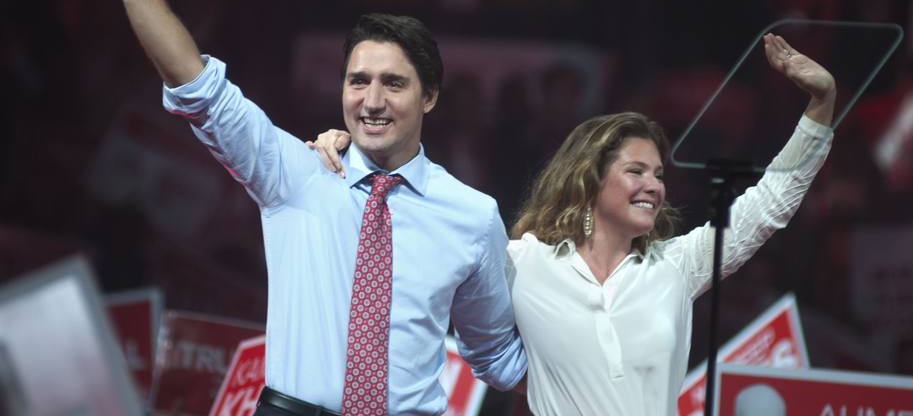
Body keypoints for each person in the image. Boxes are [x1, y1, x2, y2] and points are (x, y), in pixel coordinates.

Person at [96, 0, 526, 416]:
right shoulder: (294, 175)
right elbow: (198, 86)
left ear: (430, 96)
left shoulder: (472, 215)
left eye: (393, 84)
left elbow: (499, 356)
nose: (372, 101)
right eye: (358, 81)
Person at [312, 34, 835, 416]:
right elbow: (418, 234)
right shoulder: (523, 263)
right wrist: (354, 153)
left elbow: (768, 204)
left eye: (658, 174)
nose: (654, 184)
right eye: (635, 171)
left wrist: (821, 104)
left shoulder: (677, 266)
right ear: (590, 179)